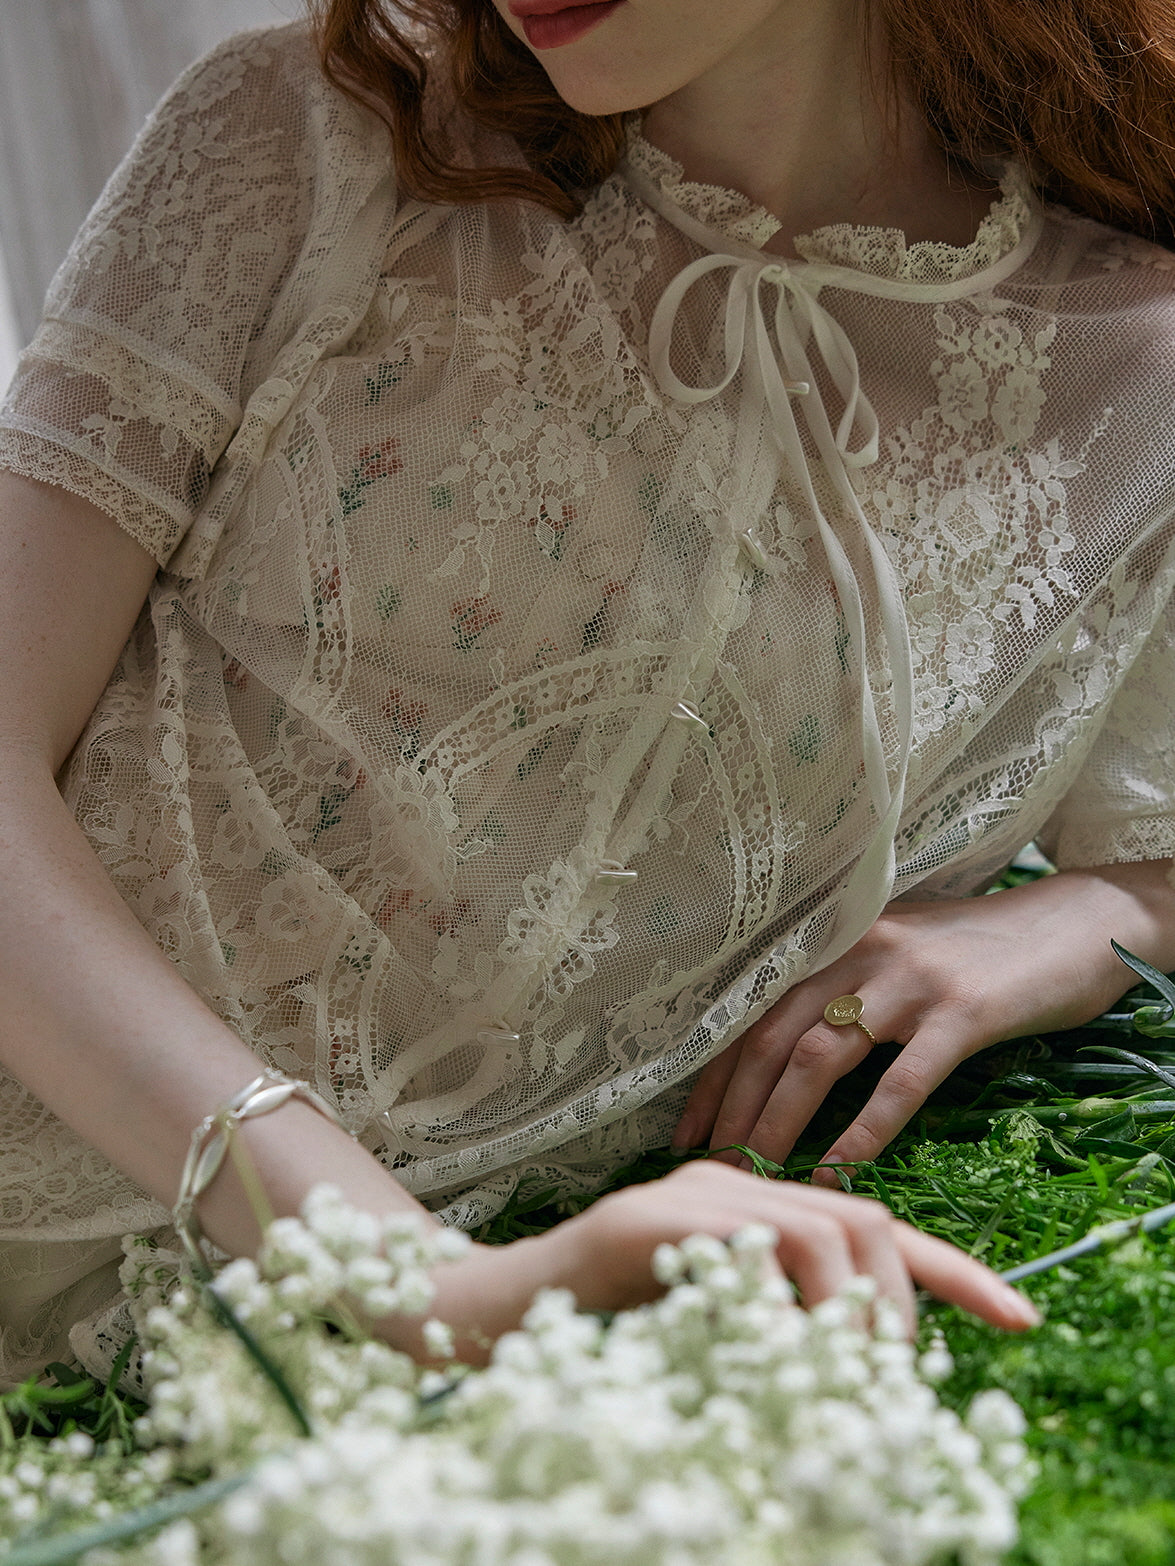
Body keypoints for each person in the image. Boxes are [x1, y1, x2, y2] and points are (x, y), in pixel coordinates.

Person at [2, 0, 1174, 1385]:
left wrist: (1065, 922)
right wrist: (417, 1278)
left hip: (400, 1404)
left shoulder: (1133, 366)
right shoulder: (312, 139)